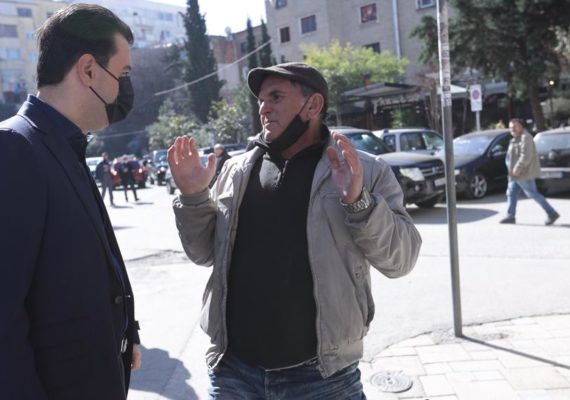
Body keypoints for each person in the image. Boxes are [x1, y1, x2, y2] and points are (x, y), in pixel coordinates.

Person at [168, 62, 422, 399]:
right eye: (261, 100)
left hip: (322, 376)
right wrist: (193, 196)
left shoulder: (364, 170)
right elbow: (203, 253)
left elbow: (401, 260)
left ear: (313, 105)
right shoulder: (236, 171)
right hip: (234, 371)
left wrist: (359, 202)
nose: (263, 108)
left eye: (276, 97)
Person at [0, 5, 141, 399]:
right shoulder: (14, 148)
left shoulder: (63, 144)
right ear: (89, 70)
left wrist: (126, 331)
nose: (125, 87)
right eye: (123, 73)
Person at [500, 118, 560, 225]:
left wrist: (517, 168)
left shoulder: (526, 137)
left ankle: (551, 213)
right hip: (514, 175)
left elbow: (526, 156)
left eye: (514, 127)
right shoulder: (515, 138)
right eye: (510, 127)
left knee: (533, 194)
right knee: (511, 193)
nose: (512, 129)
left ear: (521, 126)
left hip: (523, 173)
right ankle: (510, 216)